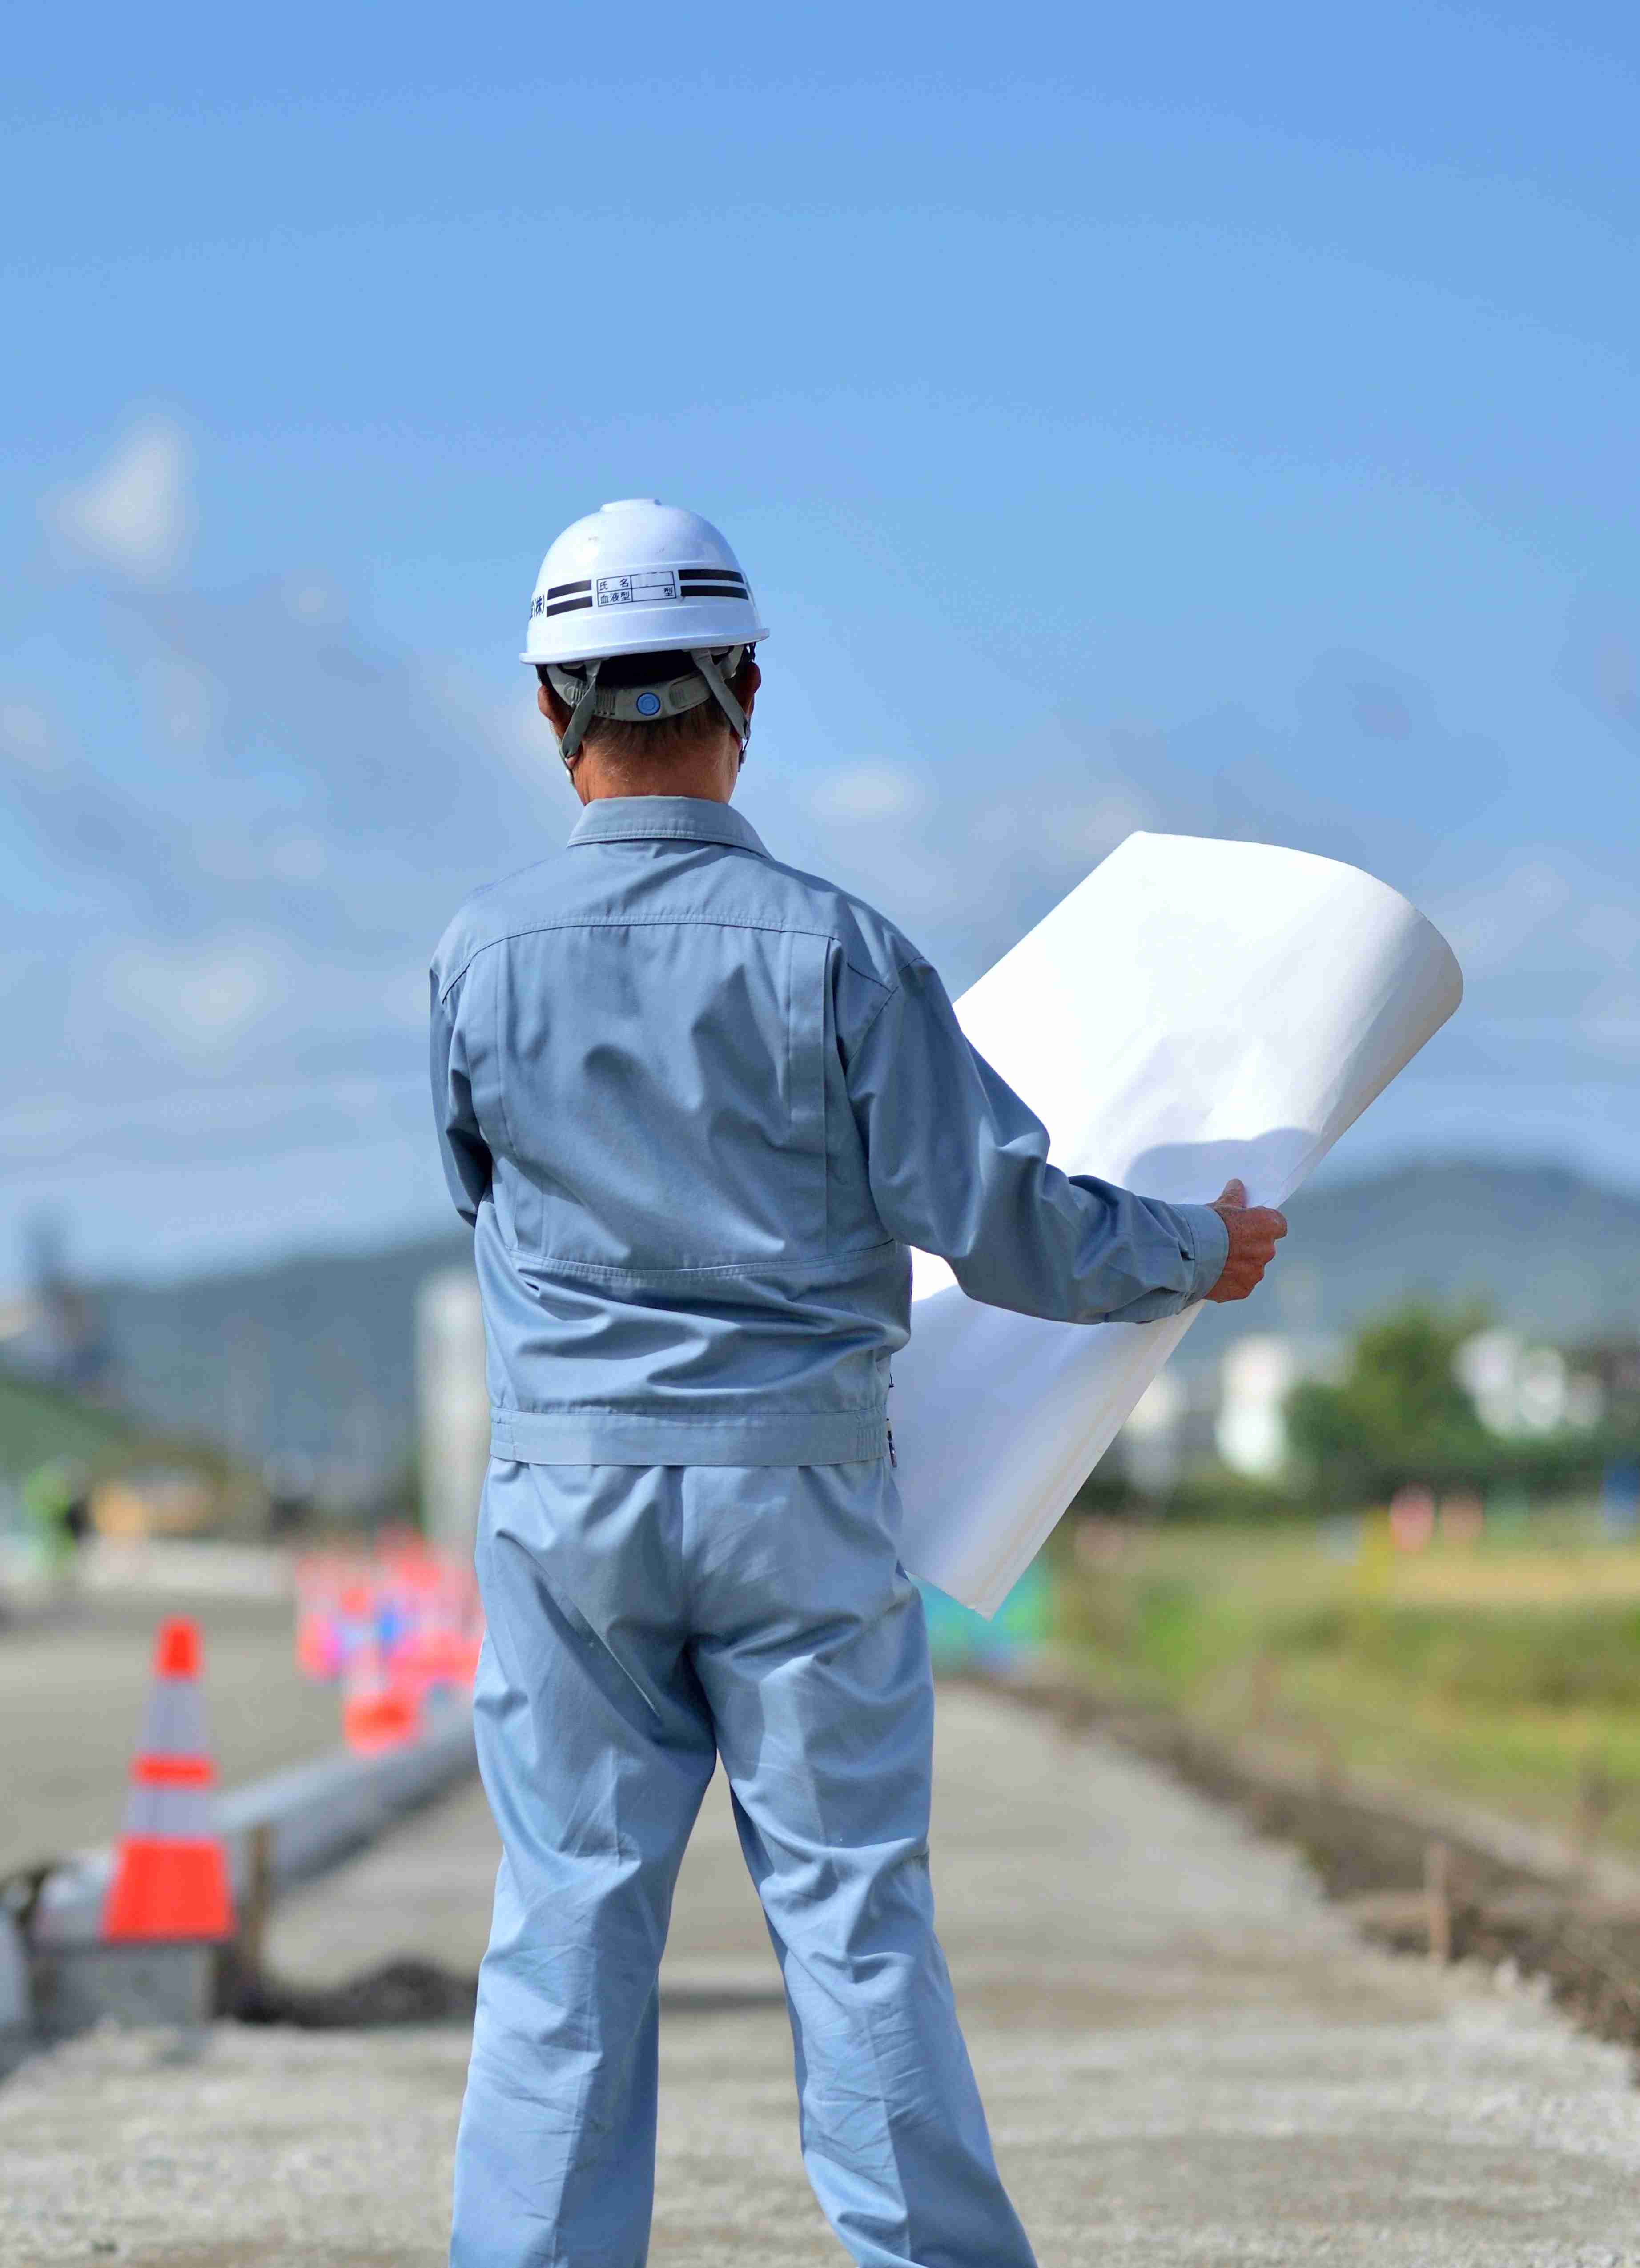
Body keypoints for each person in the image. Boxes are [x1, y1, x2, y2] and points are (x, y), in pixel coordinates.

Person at [430, 500, 1285, 2268]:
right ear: (744, 685)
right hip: (798, 1500)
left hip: (567, 1499)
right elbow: (1002, 1230)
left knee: (566, 1932)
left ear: (546, 709)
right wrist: (1195, 1248)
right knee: (847, 1923)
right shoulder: (836, 952)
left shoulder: (472, 962)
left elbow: (476, 1205)